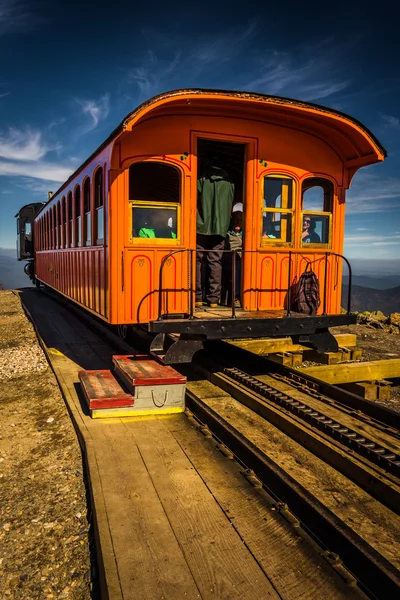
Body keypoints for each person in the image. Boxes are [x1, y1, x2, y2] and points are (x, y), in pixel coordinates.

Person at [196, 162, 235, 308]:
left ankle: (197, 297)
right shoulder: (229, 183)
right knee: (215, 261)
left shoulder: (201, 179)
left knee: (197, 260)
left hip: (200, 226)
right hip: (221, 228)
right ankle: (213, 299)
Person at [224, 205, 243, 306]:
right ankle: (236, 297)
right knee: (236, 260)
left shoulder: (246, 235)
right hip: (231, 259)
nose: (237, 222)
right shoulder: (227, 235)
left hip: (243, 259)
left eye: (240, 220)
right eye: (235, 220)